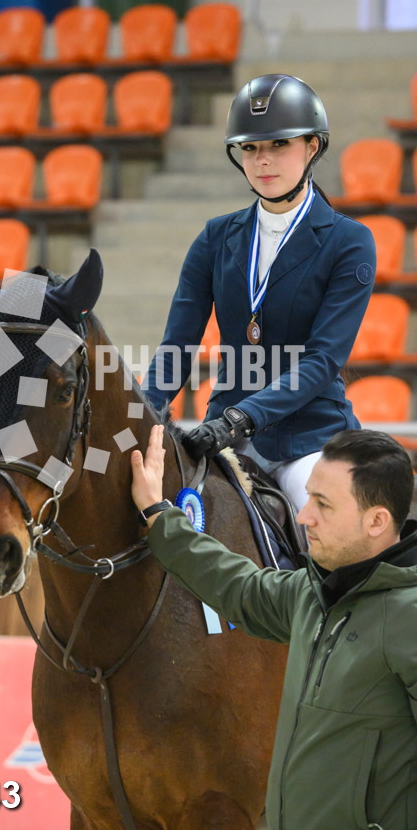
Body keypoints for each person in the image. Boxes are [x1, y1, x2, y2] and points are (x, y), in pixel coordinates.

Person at [131, 423, 417, 830]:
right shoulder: (313, 593)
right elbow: (237, 585)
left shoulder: (409, 619)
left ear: (376, 521)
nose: (304, 516)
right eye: (309, 497)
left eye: (323, 504)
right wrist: (160, 516)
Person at [144, 74, 376, 510]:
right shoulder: (215, 238)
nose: (262, 160)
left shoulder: (349, 242)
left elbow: (323, 359)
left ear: (312, 147)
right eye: (250, 148)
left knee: (322, 520)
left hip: (308, 438)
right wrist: (141, 414)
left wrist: (243, 417)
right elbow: (177, 346)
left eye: (279, 145)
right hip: (223, 439)